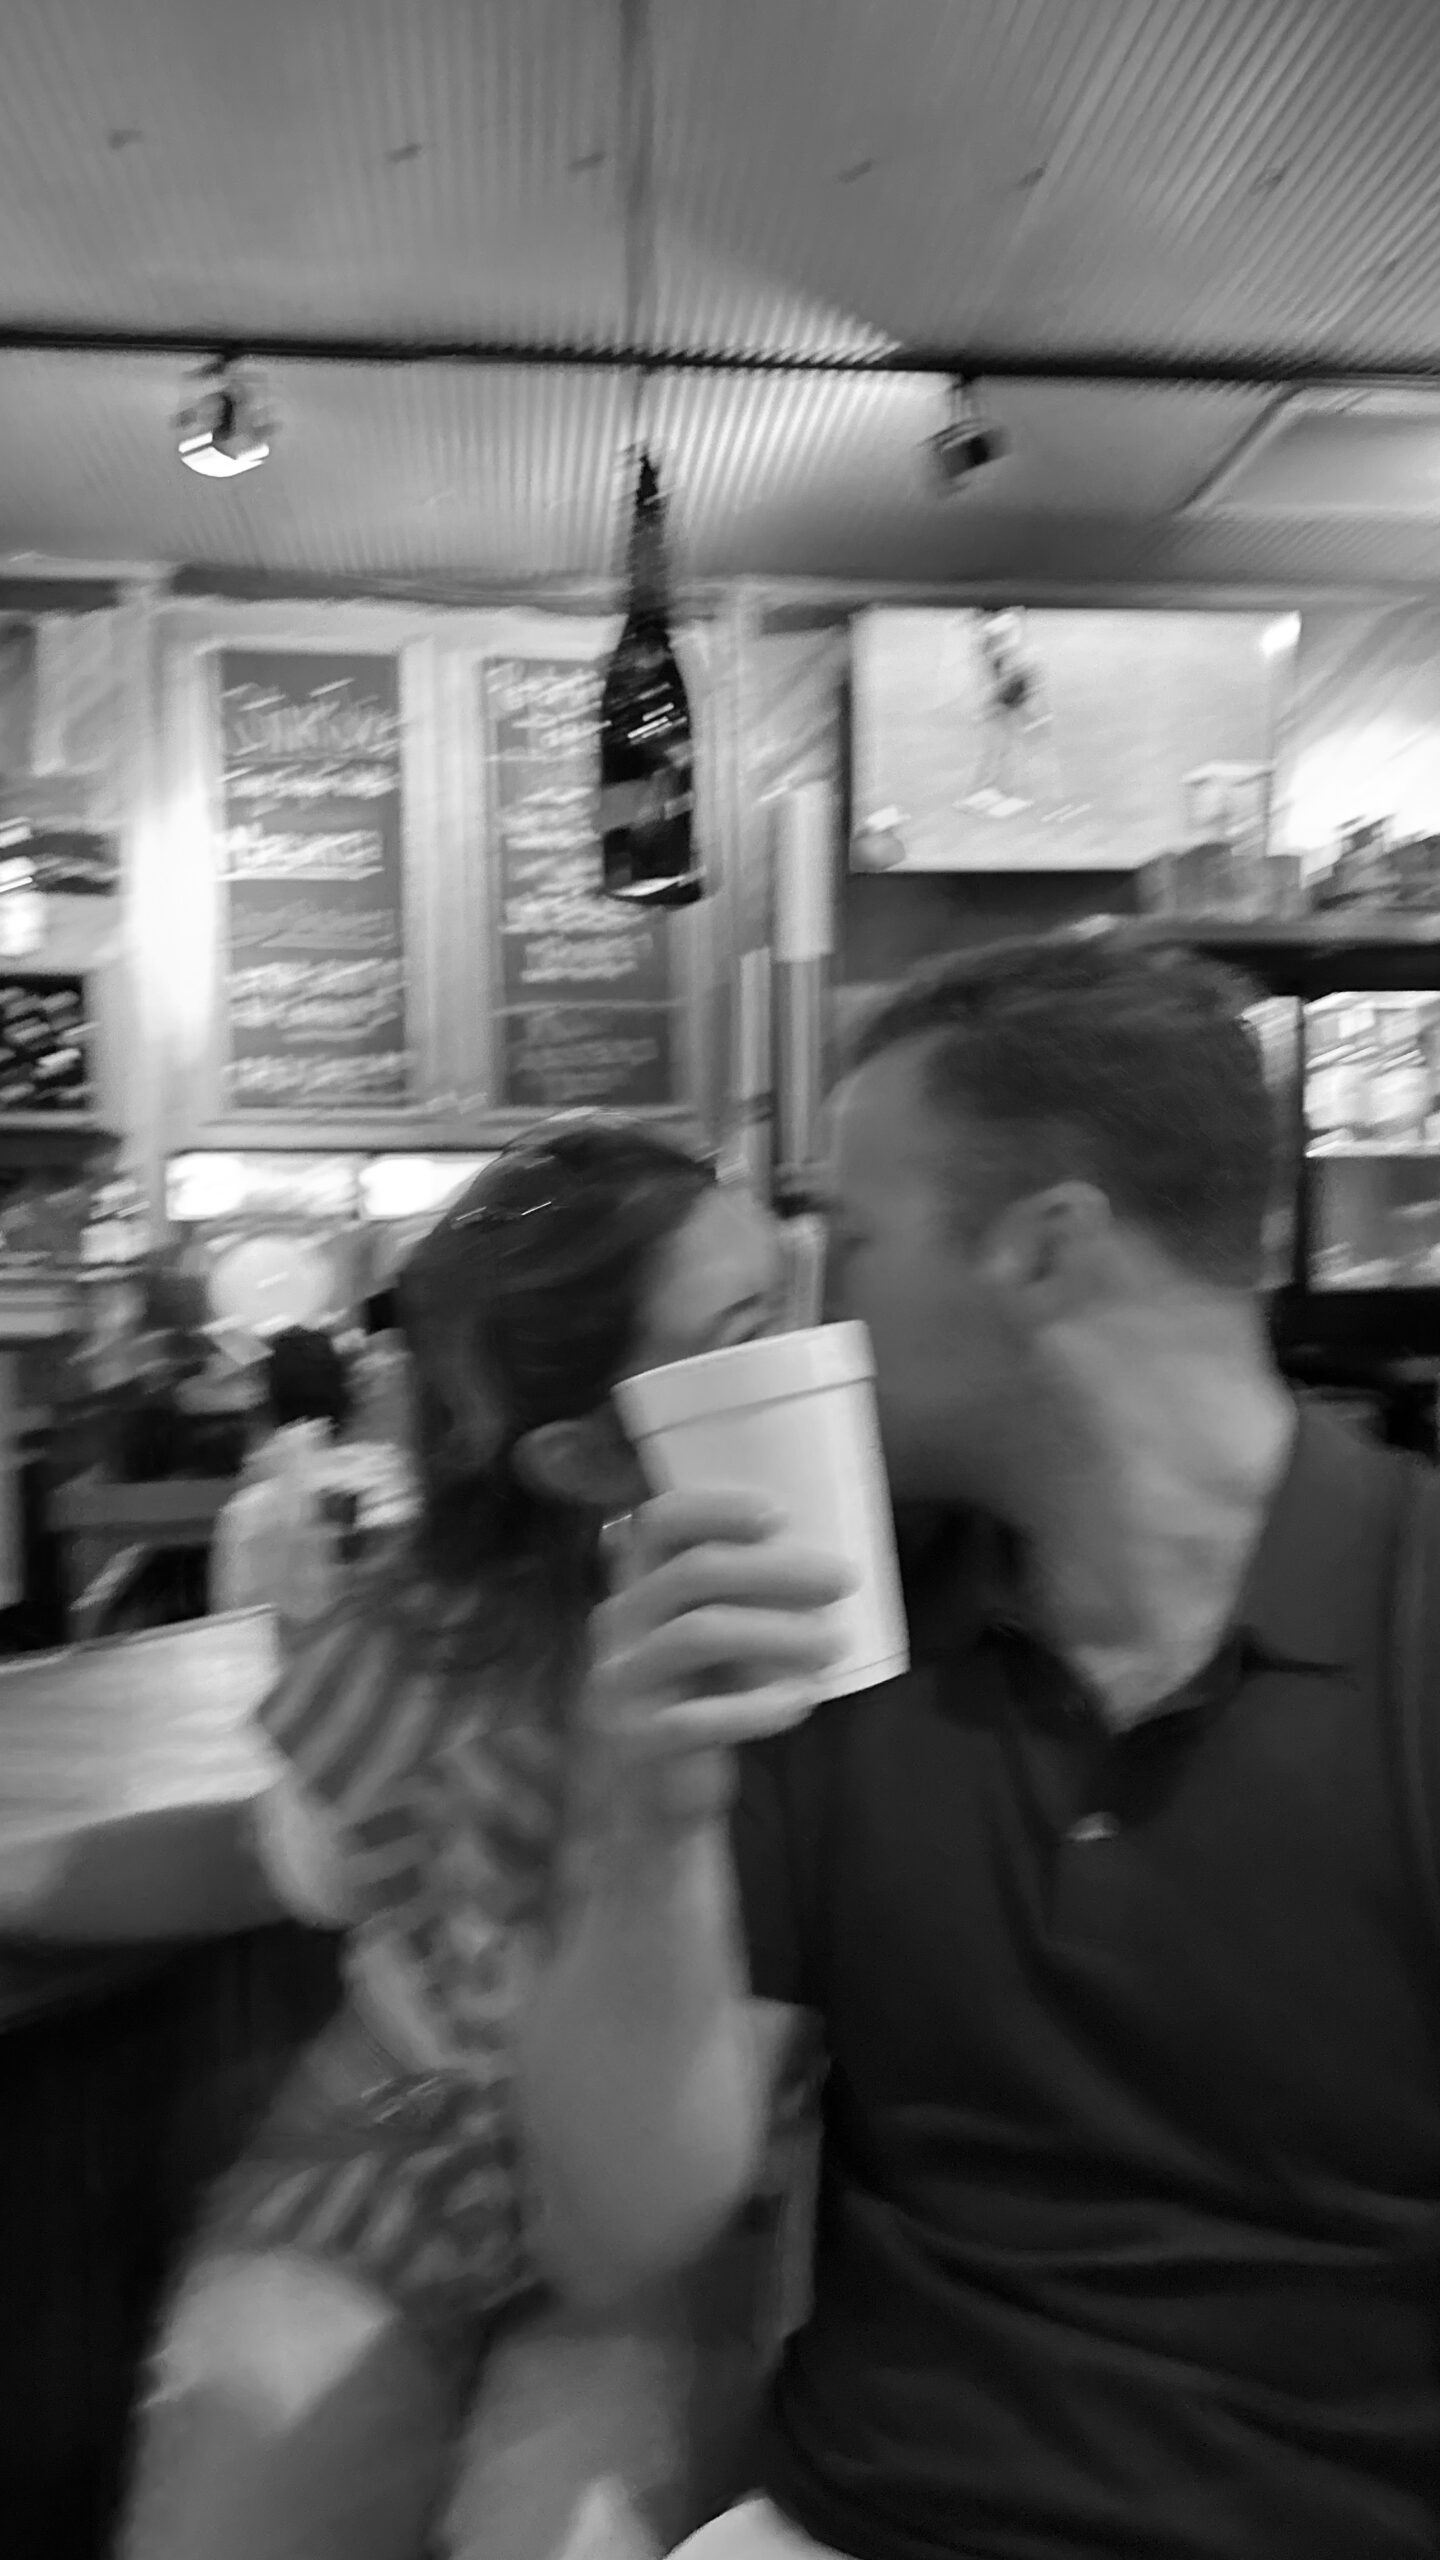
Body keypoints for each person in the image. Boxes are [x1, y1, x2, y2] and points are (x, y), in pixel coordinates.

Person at [520, 927, 1440, 2560]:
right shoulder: (825, 1618)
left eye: (851, 1241)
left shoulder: (1413, 1621)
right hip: (863, 2523)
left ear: (1042, 1251)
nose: (811, 1310)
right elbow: (616, 2230)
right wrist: (639, 1820)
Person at [116, 1112, 783, 2560]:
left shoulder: (835, 1636)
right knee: (242, 2478)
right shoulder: (430, 1646)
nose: (816, 1361)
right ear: (584, 1459)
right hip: (386, 2161)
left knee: (564, 2511)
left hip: (642, 2220)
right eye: (750, 1337)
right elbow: (288, 1859)